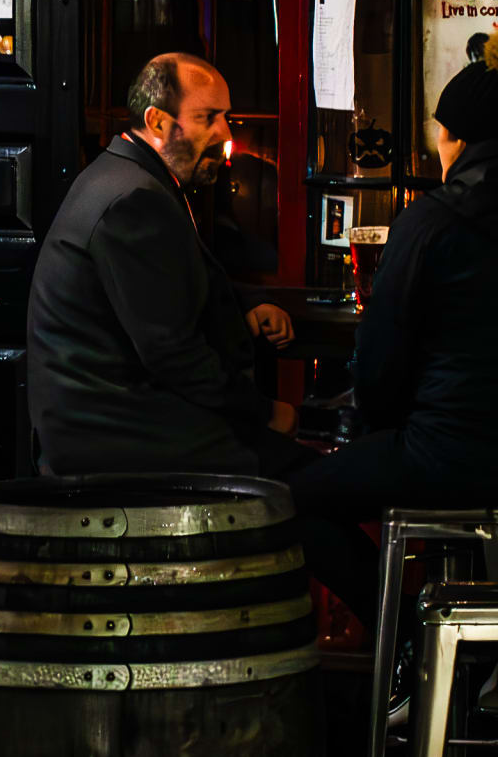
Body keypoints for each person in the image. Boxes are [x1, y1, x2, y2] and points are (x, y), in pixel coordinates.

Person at [284, 29, 498, 610]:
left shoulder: (430, 220)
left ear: (455, 139)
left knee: (289, 503)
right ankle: (496, 666)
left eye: (440, 133)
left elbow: (380, 368)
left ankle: (412, 644)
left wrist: (385, 429)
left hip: (450, 461)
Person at [22, 52, 301, 477]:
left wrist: (245, 305)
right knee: (309, 485)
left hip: (122, 421)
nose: (225, 132)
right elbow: (174, 355)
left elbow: (170, 283)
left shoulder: (128, 174)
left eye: (226, 116)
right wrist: (263, 412)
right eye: (208, 117)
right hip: (116, 437)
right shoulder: (134, 198)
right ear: (157, 122)